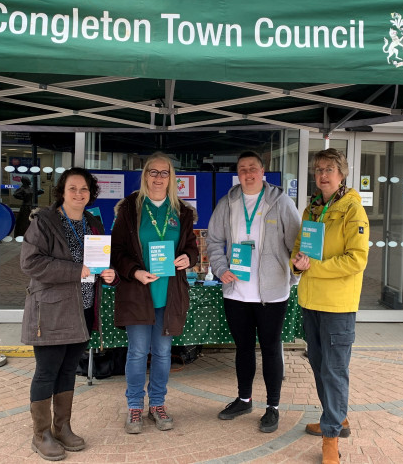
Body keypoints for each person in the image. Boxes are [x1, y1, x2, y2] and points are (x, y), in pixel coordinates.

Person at [20, 167, 116, 461]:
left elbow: (97, 263)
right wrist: (77, 270)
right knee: (47, 371)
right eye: (72, 188)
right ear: (62, 191)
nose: (78, 194)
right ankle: (41, 434)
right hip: (50, 310)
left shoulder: (92, 222)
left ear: (91, 194)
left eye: (84, 189)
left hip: (82, 309)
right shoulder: (45, 222)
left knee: (68, 370)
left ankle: (62, 427)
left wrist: (108, 274)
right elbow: (31, 263)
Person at [206, 151, 300, 433]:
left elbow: (296, 244)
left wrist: (295, 272)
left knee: (271, 349)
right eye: (243, 169)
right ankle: (244, 398)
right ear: (237, 173)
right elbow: (213, 241)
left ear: (263, 172)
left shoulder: (281, 202)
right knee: (243, 348)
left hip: (271, 292)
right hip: (236, 290)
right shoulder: (228, 202)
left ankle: (273, 407)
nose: (248, 173)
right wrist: (220, 269)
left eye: (253, 168)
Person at [111, 152, 199, 434]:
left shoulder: (182, 211)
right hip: (138, 292)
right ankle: (135, 406)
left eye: (164, 173)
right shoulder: (129, 208)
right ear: (145, 174)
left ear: (171, 177)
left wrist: (188, 257)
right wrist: (135, 272)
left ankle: (157, 404)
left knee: (162, 353)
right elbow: (118, 251)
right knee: (137, 352)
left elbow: (191, 247)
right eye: (153, 172)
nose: (158, 178)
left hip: (169, 294)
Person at [291, 149, 369, 464]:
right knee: (320, 366)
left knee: (334, 371)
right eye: (319, 169)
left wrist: (314, 267)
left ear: (342, 174)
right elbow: (299, 248)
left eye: (330, 169)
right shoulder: (312, 208)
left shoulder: (353, 210)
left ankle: (331, 436)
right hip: (311, 301)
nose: (323, 174)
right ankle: (336, 417)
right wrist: (296, 265)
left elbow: (357, 259)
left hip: (338, 304)